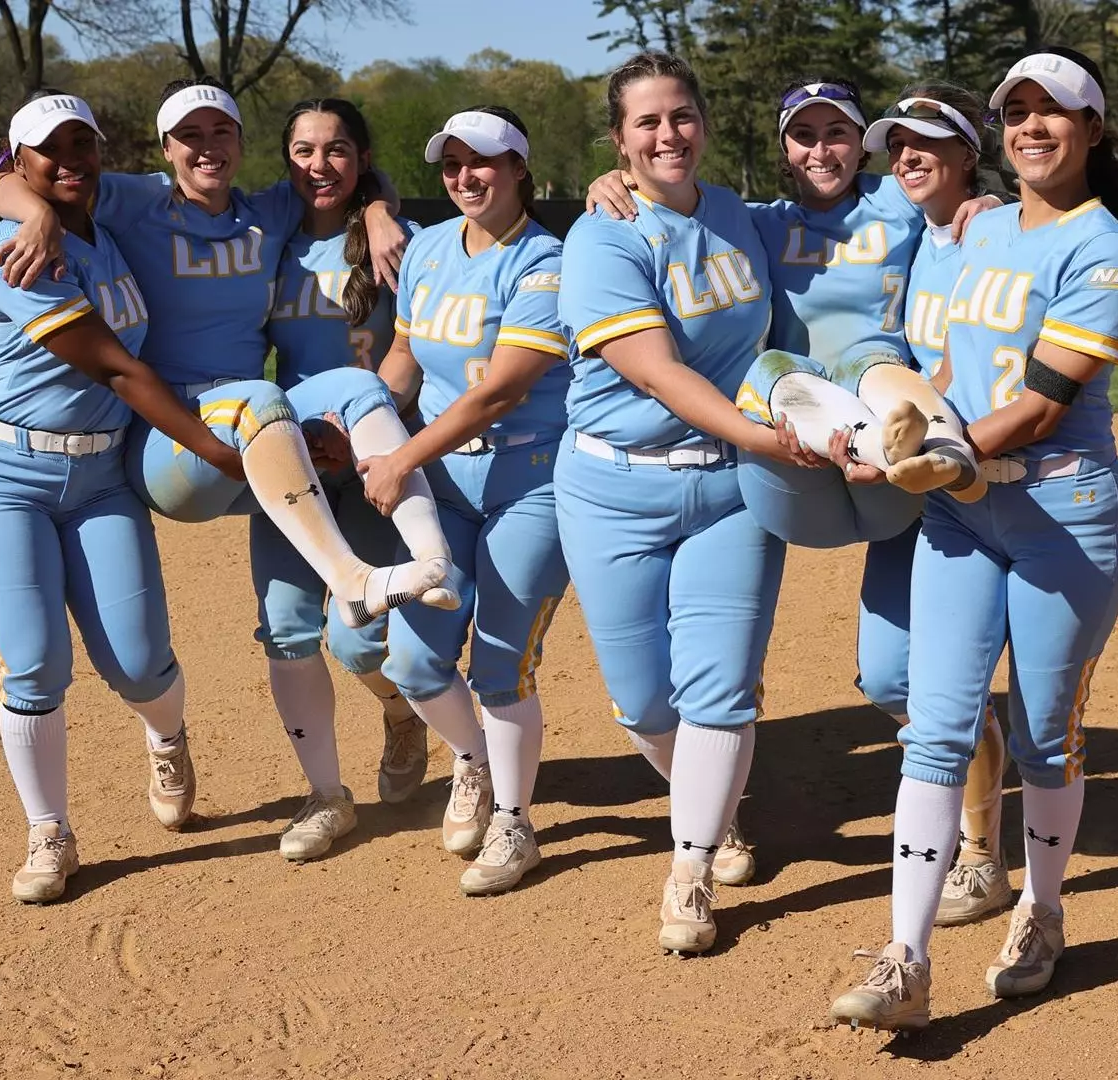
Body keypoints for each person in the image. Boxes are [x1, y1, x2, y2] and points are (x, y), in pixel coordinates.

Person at [0, 78, 459, 842]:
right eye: (189, 135)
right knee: (291, 602)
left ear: (241, 143)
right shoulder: (129, 199)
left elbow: (341, 178)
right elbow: (14, 172)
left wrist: (375, 209)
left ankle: (404, 680)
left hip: (281, 433)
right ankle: (326, 792)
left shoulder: (269, 211)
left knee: (338, 631)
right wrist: (35, 209)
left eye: (221, 132)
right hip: (194, 436)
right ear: (164, 147)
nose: (207, 147)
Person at [829, 47, 1118, 1030]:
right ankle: (905, 955)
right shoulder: (966, 232)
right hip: (957, 513)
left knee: (1042, 736)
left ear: (1093, 129)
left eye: (1054, 111)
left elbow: (1038, 408)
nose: (1032, 126)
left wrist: (928, 456)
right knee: (938, 725)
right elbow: (875, 321)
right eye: (1017, 110)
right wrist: (868, 425)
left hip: (1060, 518)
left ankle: (1041, 907)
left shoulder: (1104, 247)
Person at [585, 79, 1005, 908]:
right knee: (778, 370)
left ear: (864, 142)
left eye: (839, 133)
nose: (822, 150)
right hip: (805, 455)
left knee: (895, 680)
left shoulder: (904, 209)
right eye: (803, 134)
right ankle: (716, 804)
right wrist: (617, 182)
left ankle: (982, 845)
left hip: (894, 456)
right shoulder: (755, 223)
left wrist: (980, 203)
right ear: (783, 146)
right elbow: (674, 202)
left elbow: (962, 230)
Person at [0, 91, 240, 902]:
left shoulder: (110, 233)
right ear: (22, 162)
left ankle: (167, 735)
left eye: (84, 144)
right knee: (36, 664)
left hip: (102, 478)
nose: (71, 159)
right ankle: (50, 833)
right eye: (50, 150)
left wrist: (384, 195)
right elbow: (115, 367)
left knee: (142, 665)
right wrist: (219, 453)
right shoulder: (17, 250)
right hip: (2, 479)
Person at [556, 50, 813, 953]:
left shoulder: (737, 212)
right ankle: (711, 792)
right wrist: (763, 436)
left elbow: (848, 210)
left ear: (702, 122)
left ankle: (693, 861)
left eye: (681, 117)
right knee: (640, 704)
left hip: (731, 490)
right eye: (646, 123)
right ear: (619, 140)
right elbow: (655, 370)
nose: (668, 135)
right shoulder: (601, 236)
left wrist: (967, 204)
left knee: (720, 689)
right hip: (612, 488)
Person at [358, 106, 572, 896]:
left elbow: (501, 391)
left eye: (481, 161)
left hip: (532, 475)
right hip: (445, 480)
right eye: (450, 165)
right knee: (414, 660)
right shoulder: (430, 250)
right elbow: (406, 356)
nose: (464, 177)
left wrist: (402, 455)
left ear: (521, 169)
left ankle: (515, 823)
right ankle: (474, 762)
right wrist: (363, 425)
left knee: (501, 663)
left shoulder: (545, 261)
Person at [259, 97, 436, 861]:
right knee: (288, 632)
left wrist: (369, 420)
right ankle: (325, 798)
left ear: (362, 158)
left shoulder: (405, 243)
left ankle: (401, 714)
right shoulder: (269, 244)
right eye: (303, 150)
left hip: (369, 455)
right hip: (292, 457)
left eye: (336, 150)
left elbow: (415, 349)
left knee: (357, 638)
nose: (318, 165)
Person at [863, 83, 1019, 925]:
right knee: (890, 674)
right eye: (898, 145)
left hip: (964, 472)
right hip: (910, 475)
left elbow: (968, 361)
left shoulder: (993, 231)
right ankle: (981, 754)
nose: (909, 156)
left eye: (931, 142)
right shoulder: (911, 228)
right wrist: (611, 182)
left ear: (969, 153)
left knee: (939, 693)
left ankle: (983, 856)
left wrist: (911, 431)